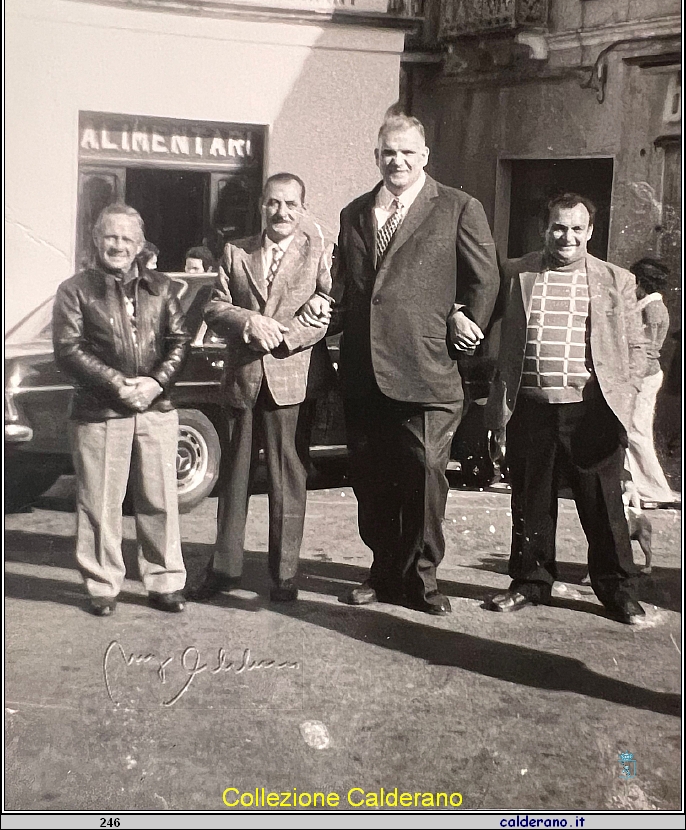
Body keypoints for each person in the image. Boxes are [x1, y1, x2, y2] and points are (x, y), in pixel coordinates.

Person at [301, 114, 499, 614]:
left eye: (408, 152)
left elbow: (484, 278)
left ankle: (423, 577)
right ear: (377, 156)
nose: (398, 161)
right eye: (389, 152)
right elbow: (349, 292)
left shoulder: (457, 207)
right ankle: (383, 570)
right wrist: (325, 308)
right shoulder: (354, 213)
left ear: (425, 156)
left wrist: (465, 321)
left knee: (427, 470)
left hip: (429, 369)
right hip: (366, 372)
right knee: (372, 478)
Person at [485, 192, 648, 624]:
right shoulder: (517, 272)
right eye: (559, 227)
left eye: (577, 228)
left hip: (591, 411)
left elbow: (637, 347)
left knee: (604, 505)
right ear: (545, 228)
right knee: (530, 501)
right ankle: (530, 583)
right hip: (531, 408)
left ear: (590, 232)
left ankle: (618, 591)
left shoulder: (616, 280)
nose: (567, 236)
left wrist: (624, 395)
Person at [190, 173, 334, 603]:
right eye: (273, 203)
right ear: (261, 207)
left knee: (287, 478)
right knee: (233, 479)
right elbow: (214, 307)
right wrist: (250, 322)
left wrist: (284, 335)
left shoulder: (316, 254)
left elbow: (327, 311)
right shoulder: (236, 253)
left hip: (291, 380)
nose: (282, 212)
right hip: (243, 380)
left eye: (291, 204)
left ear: (303, 209)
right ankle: (224, 568)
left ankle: (285, 574)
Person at [53, 204, 190, 616]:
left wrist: (154, 382)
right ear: (96, 239)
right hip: (100, 412)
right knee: (99, 502)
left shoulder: (162, 288)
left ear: (140, 246)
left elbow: (180, 341)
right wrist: (116, 385)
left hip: (156, 407)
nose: (117, 245)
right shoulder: (74, 290)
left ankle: (164, 581)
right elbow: (67, 349)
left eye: (126, 239)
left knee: (159, 499)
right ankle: (102, 585)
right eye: (110, 236)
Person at [624, 257, 675, 508]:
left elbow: (648, 350)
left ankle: (656, 491)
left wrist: (632, 379)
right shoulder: (645, 304)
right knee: (632, 431)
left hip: (644, 377)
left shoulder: (653, 309)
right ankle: (635, 486)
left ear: (642, 282)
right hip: (640, 375)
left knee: (637, 431)